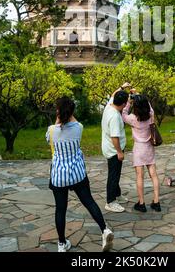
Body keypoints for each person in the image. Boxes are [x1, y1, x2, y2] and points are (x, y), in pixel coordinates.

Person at [46, 96, 114, 252]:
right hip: (77, 173)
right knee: (89, 201)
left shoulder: (51, 130)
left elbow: (50, 137)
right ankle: (104, 230)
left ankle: (62, 244)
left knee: (60, 209)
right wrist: (68, 113)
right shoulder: (79, 127)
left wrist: (59, 117)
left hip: (59, 176)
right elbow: (73, 121)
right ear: (71, 112)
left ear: (58, 111)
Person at [121, 90, 160, 213]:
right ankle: (156, 201)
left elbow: (123, 113)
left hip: (138, 148)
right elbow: (151, 109)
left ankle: (141, 203)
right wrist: (141, 97)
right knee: (153, 174)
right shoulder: (150, 117)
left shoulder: (133, 119)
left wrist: (129, 101)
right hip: (149, 147)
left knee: (139, 176)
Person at [101, 83, 130, 213]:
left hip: (109, 147)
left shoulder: (109, 106)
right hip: (113, 150)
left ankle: (117, 194)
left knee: (116, 173)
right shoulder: (114, 117)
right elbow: (115, 137)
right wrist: (119, 152)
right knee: (113, 175)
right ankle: (110, 201)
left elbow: (113, 95)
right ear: (123, 104)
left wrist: (122, 87)